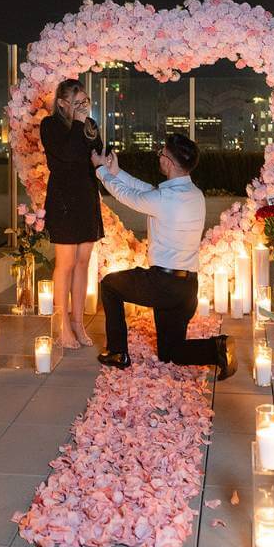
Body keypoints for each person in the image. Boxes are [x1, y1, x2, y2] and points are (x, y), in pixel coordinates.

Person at [89, 134, 236, 379]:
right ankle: (217, 348)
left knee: (110, 286)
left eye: (161, 153)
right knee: (171, 352)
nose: (159, 156)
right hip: (187, 288)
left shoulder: (164, 199)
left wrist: (101, 171)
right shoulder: (194, 194)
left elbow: (128, 196)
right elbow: (147, 190)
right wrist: (117, 172)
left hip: (162, 284)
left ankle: (117, 352)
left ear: (168, 162)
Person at [40, 79, 104, 349]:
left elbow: (96, 152)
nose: (82, 108)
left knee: (83, 261)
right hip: (64, 198)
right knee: (65, 263)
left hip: (87, 196)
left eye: (85, 102)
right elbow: (66, 153)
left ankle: (77, 321)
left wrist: (107, 158)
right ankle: (61, 323)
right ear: (63, 103)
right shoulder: (50, 125)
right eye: (77, 103)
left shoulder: (89, 126)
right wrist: (78, 122)